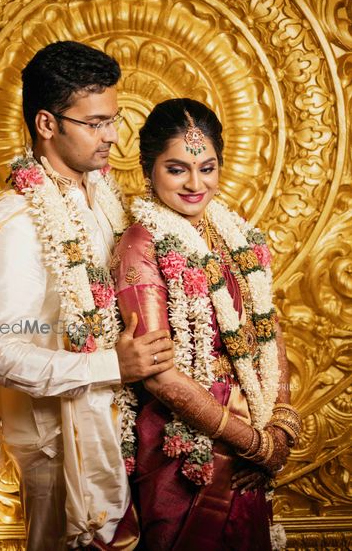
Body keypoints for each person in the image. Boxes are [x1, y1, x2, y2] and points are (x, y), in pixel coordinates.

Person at [0, 41, 174, 551]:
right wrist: (112, 366)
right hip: (57, 449)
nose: (113, 136)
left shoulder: (103, 199)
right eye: (95, 123)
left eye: (113, 119)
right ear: (47, 123)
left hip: (123, 432)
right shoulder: (16, 222)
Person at [113, 98, 301, 551]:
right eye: (177, 169)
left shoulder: (234, 233)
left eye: (207, 168)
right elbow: (158, 373)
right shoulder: (141, 244)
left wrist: (278, 424)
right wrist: (251, 443)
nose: (196, 184)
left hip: (253, 415)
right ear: (148, 169)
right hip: (184, 438)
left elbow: (267, 326)